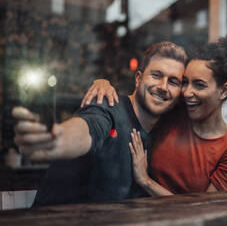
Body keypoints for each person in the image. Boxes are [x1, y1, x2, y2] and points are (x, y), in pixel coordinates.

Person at [82, 36, 227, 195]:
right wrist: (102, 82)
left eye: (199, 85)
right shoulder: (177, 110)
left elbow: (207, 211)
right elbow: (141, 96)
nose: (186, 92)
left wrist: (146, 181)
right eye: (185, 82)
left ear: (224, 90)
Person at [12, 41, 187, 206]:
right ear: (138, 79)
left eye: (173, 81)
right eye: (156, 75)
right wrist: (55, 141)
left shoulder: (163, 133)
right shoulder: (109, 106)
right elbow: (88, 128)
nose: (163, 86)